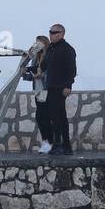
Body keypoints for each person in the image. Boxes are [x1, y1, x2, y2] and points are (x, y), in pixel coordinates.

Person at [43, 23, 77, 155]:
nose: (51, 34)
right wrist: (30, 69)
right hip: (51, 86)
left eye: (54, 32)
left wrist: (68, 85)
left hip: (60, 87)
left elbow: (72, 70)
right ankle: (65, 146)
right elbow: (44, 65)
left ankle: (59, 145)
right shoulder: (51, 49)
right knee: (58, 116)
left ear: (62, 34)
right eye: (50, 32)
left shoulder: (67, 49)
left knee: (58, 118)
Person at [23, 35, 53, 154]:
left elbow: (50, 72)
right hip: (38, 90)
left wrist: (39, 75)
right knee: (41, 117)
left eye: (39, 43)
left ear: (44, 43)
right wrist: (25, 72)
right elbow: (34, 71)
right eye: (36, 43)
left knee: (44, 116)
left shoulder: (50, 56)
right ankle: (47, 141)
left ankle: (49, 142)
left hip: (47, 89)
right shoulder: (36, 57)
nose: (37, 45)